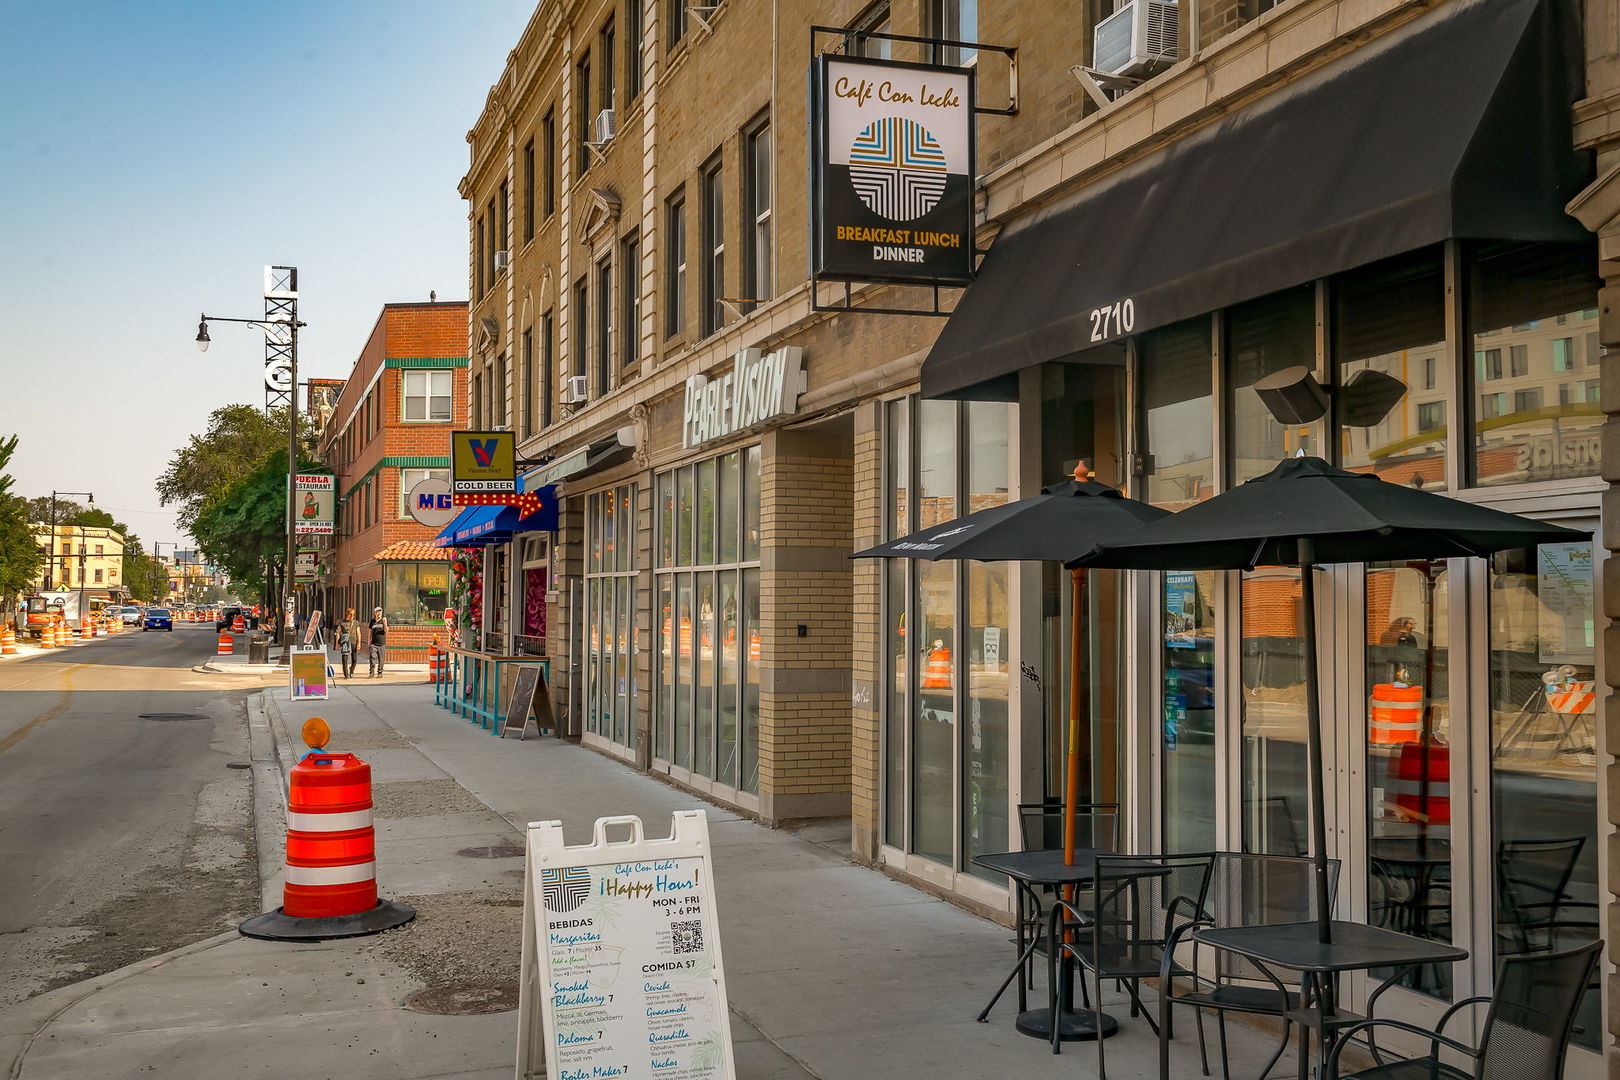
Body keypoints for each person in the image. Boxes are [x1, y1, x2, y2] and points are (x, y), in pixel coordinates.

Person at [336, 608, 361, 678]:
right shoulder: (342, 623)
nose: (352, 616)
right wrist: (337, 644)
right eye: (351, 614)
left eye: (353, 614)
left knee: (355, 659)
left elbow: (358, 633)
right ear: (347, 614)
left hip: (354, 642)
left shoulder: (356, 622)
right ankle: (346, 675)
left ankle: (351, 670)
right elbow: (338, 633)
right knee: (344, 659)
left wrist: (359, 643)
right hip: (345, 643)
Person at [367, 607, 389, 677]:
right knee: (372, 657)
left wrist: (385, 623)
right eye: (377, 612)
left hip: (382, 643)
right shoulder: (372, 621)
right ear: (375, 613)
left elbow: (386, 631)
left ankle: (380, 672)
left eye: (380, 612)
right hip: (373, 643)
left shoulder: (384, 620)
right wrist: (369, 640)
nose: (379, 613)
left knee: (381, 659)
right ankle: (371, 672)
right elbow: (370, 631)